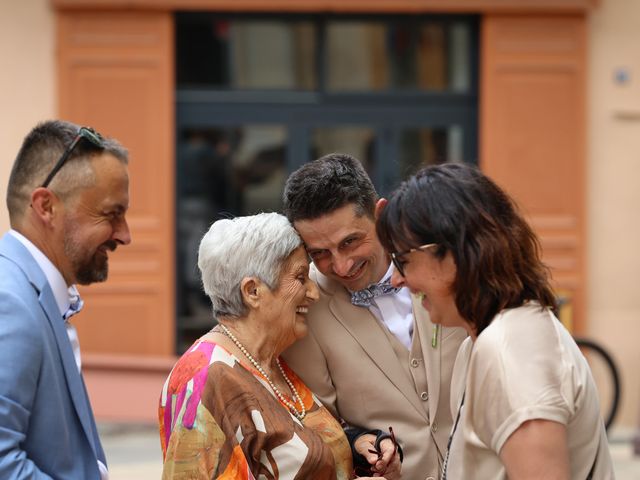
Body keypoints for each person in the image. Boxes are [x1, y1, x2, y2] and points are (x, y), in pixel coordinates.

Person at [376, 163, 614, 479]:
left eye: (403, 261)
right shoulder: (487, 342)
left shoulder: (508, 350)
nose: (397, 280)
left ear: (455, 253)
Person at [159, 212, 398, 479]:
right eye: (300, 278)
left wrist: (358, 444)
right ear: (252, 291)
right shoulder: (205, 377)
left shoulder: (274, 364)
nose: (314, 292)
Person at [282, 153, 466, 479]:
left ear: (380, 215)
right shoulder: (305, 307)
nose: (340, 266)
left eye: (350, 242)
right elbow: (319, 424)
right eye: (320, 254)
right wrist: (358, 444)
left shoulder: (444, 260)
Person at [0, 120, 131, 479]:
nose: (125, 235)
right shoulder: (9, 302)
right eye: (111, 214)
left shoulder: (30, 294)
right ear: (46, 207)